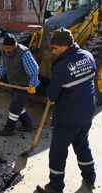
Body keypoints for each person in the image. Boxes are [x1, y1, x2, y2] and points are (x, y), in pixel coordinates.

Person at [37, 27, 96, 193]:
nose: (53, 52)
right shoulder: (88, 56)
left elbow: (52, 96)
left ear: (65, 46)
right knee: (82, 145)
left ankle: (55, 186)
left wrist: (50, 94)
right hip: (87, 113)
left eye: (55, 48)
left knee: (57, 152)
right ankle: (90, 177)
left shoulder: (62, 66)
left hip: (68, 118)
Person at [0, 33, 39, 136]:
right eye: (5, 47)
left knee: (14, 108)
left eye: (9, 48)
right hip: (14, 84)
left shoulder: (24, 53)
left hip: (25, 85)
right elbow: (3, 65)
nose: (7, 50)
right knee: (18, 107)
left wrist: (32, 85)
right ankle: (28, 125)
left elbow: (34, 71)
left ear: (15, 45)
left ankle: (9, 129)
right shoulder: (5, 52)